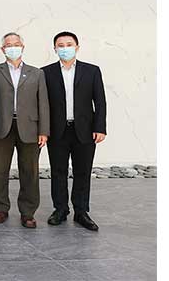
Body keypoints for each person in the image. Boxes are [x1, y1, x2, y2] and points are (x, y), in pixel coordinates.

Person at [43, 31, 107, 231]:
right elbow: (42, 104)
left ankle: (81, 211)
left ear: (77, 47)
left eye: (69, 44)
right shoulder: (46, 72)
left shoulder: (92, 71)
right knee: (58, 171)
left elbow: (100, 101)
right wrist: (43, 130)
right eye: (60, 45)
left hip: (85, 130)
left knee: (83, 171)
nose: (65, 49)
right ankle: (60, 209)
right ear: (55, 49)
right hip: (57, 130)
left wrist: (100, 127)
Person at [0, 32, 50, 228]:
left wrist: (44, 131)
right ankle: (0, 208)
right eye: (8, 45)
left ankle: (28, 212)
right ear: (3, 49)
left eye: (16, 44)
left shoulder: (37, 73)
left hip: (30, 128)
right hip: (2, 127)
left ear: (22, 47)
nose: (12, 47)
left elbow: (43, 104)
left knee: (30, 172)